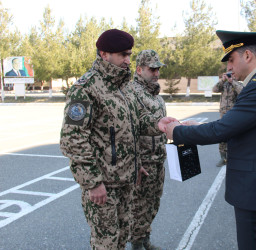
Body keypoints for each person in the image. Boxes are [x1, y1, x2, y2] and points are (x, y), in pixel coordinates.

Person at [164, 30, 256, 250]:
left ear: (248, 55)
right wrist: (197, 126)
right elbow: (242, 126)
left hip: (255, 189)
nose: (228, 68)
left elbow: (221, 130)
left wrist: (176, 132)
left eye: (231, 60)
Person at [60, 29, 175, 249]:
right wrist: (93, 183)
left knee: (122, 239)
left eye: (129, 54)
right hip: (104, 186)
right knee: (106, 244)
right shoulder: (86, 88)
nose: (127, 60)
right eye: (122, 54)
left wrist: (157, 125)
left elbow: (132, 125)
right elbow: (72, 139)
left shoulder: (124, 87)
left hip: (125, 182)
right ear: (104, 54)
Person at [129, 50, 167, 250]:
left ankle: (145, 240)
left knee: (153, 204)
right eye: (152, 69)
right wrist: (135, 163)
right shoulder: (132, 93)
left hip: (158, 159)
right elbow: (129, 131)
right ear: (139, 69)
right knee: (139, 207)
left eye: (158, 69)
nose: (156, 73)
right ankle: (136, 244)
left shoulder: (157, 97)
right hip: (143, 163)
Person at [212, 72, 244, 167]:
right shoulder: (223, 85)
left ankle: (235, 157)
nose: (229, 76)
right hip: (223, 114)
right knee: (222, 135)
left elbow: (242, 91)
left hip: (234, 114)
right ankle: (223, 157)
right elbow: (214, 89)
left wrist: (232, 81)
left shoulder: (238, 84)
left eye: (231, 74)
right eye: (228, 74)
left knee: (234, 135)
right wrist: (222, 80)